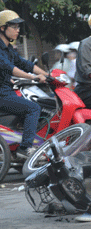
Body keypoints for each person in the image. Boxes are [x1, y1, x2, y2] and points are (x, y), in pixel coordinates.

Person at [0, 10, 48, 159]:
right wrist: (33, 77)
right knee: (33, 108)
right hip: (1, 93)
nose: (18, 30)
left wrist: (47, 75)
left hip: (7, 90)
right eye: (14, 27)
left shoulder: (8, 48)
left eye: (18, 27)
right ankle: (25, 149)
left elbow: (24, 63)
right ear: (2, 28)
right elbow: (9, 67)